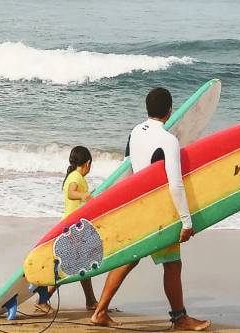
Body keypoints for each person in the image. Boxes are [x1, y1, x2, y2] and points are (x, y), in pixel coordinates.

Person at [89, 87, 210, 330]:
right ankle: (180, 319)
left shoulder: (135, 132)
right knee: (172, 263)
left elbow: (128, 169)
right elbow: (175, 184)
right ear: (170, 111)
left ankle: (100, 311)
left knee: (130, 258)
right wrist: (187, 222)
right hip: (160, 210)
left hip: (139, 205)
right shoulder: (168, 140)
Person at [36, 146, 100, 314]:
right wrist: (83, 195)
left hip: (75, 228)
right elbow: (72, 193)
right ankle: (42, 300)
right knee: (66, 266)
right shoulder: (75, 177)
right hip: (72, 229)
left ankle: (91, 300)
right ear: (88, 163)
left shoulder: (75, 176)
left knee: (83, 264)